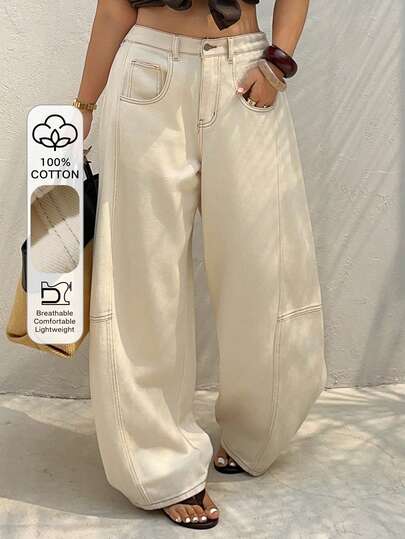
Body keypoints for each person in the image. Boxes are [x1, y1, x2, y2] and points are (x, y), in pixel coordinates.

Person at [74, 0, 327, 530]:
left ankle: (258, 427)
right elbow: (114, 8)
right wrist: (84, 105)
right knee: (145, 279)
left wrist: (277, 63)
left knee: (267, 265)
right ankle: (159, 462)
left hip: (247, 74)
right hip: (150, 74)